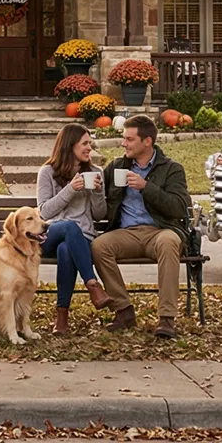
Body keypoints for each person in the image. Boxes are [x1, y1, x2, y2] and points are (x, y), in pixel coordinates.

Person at [92, 113, 192, 339]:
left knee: (169, 243)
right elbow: (102, 204)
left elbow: (178, 207)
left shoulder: (171, 169)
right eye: (124, 138)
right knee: (99, 246)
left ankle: (167, 318)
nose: (123, 143)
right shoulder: (117, 166)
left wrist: (146, 187)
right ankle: (124, 310)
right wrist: (97, 189)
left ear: (147, 141)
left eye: (129, 139)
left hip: (159, 232)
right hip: (126, 233)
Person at [33, 123, 113, 334]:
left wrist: (97, 192)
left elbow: (99, 215)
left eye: (90, 143)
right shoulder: (47, 172)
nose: (90, 148)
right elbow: (44, 212)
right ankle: (93, 285)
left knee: (66, 250)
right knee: (68, 226)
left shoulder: (95, 172)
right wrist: (70, 190)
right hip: (50, 234)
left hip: (82, 239)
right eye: (85, 143)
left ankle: (62, 318)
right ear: (70, 146)